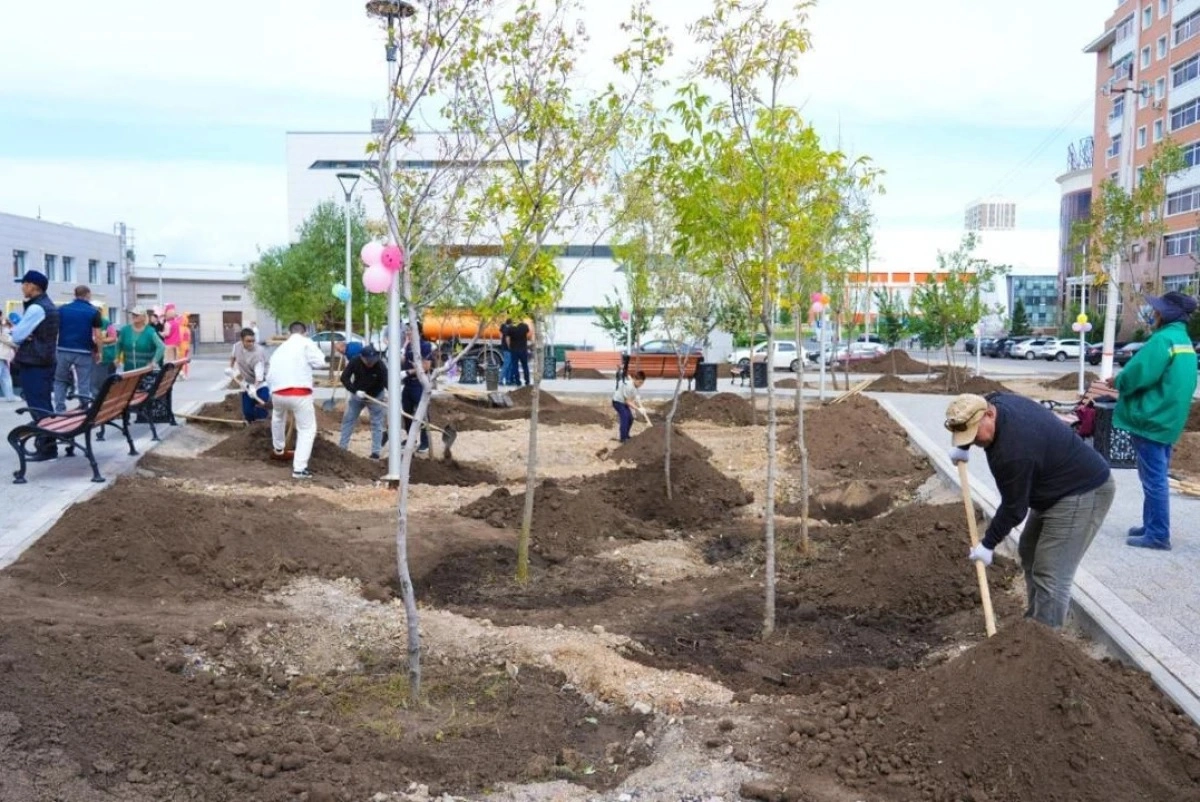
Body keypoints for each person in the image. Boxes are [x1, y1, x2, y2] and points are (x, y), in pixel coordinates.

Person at [946, 392, 1115, 629]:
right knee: (1029, 550)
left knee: (1051, 571)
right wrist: (963, 446)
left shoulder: (1012, 452)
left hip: (1082, 492)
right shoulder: (995, 401)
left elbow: (1015, 508)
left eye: (974, 435)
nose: (973, 440)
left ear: (989, 414)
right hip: (1054, 487)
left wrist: (987, 544)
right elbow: (971, 411)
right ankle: (1033, 627)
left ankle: (1046, 639)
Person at [1105, 291, 1198, 550]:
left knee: (1153, 478)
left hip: (1150, 419)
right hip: (1168, 420)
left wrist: (1118, 381)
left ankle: (1157, 533)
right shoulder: (1183, 341)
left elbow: (1137, 374)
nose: (1154, 313)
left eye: (1157, 310)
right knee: (1154, 476)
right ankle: (1151, 524)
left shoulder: (1163, 340)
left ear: (1167, 314)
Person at [7, 270, 60, 461]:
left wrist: (21, 334)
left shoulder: (37, 308)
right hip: (44, 361)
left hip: (34, 363)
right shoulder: (48, 306)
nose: (22, 287)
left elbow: (18, 335)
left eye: (24, 284)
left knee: (38, 407)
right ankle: (49, 445)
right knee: (44, 404)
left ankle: (46, 448)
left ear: (33, 286)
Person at [266, 321, 326, 479]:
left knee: (278, 417)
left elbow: (269, 375)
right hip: (299, 392)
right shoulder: (306, 343)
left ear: (289, 333)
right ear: (304, 332)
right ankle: (299, 469)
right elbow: (320, 362)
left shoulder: (279, 349)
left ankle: (278, 448)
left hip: (277, 392)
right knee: (307, 429)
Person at [53, 285, 103, 412]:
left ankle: (59, 408)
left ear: (75, 295)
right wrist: (99, 352)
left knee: (60, 380)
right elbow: (98, 335)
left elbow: (54, 329)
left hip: (63, 349)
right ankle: (84, 407)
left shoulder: (62, 309)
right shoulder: (94, 311)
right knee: (83, 382)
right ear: (87, 295)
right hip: (84, 351)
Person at [338, 344, 388, 459]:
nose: (371, 363)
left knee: (377, 423)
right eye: (368, 361)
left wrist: (393, 396)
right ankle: (342, 448)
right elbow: (344, 378)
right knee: (348, 420)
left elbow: (387, 382)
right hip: (358, 396)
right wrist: (355, 391)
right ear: (362, 357)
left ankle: (376, 452)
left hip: (375, 397)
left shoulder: (380, 365)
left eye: (373, 360)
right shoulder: (355, 361)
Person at [401, 323, 434, 454]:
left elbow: (426, 366)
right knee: (407, 412)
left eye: (410, 330)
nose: (407, 332)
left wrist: (409, 372)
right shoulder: (408, 345)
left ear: (418, 332)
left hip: (419, 384)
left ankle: (425, 442)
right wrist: (403, 347)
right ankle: (410, 438)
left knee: (422, 413)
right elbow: (403, 361)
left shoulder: (425, 346)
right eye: (407, 330)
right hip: (408, 385)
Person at [227, 327, 271, 423]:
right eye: (248, 341)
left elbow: (259, 376)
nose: (251, 343)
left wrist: (254, 388)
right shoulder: (236, 347)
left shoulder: (258, 354)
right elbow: (233, 357)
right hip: (247, 383)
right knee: (247, 412)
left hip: (261, 384)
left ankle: (262, 428)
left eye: (253, 341)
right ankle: (250, 428)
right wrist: (230, 368)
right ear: (241, 340)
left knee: (261, 411)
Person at [115, 307, 165, 371]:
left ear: (144, 317)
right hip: (128, 369)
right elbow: (118, 344)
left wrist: (154, 361)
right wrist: (117, 357)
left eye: (137, 314)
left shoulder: (150, 331)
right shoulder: (125, 330)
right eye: (133, 314)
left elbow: (161, 347)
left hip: (145, 370)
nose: (134, 316)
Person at [612, 370, 647, 442]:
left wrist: (636, 399)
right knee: (625, 417)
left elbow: (631, 399)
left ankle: (626, 435)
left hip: (624, 403)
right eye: (639, 382)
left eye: (642, 383)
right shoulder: (628, 386)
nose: (641, 384)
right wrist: (638, 409)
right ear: (635, 379)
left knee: (630, 418)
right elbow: (628, 401)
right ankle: (623, 438)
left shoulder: (635, 385)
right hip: (617, 402)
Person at [91, 316, 118, 401]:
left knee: (100, 384)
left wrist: (99, 340)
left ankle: (101, 404)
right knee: (100, 383)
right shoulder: (87, 322)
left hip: (105, 357)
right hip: (94, 357)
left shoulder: (106, 323)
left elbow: (113, 337)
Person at [507, 319, 531, 386]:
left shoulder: (511, 328)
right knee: (525, 365)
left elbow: (507, 338)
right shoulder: (524, 326)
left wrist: (509, 347)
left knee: (515, 366)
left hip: (514, 349)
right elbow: (528, 334)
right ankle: (527, 381)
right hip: (523, 349)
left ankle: (518, 381)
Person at [0, 317, 17, 402]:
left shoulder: (4, 328)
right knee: (5, 376)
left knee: (6, 377)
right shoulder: (3, 330)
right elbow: (5, 338)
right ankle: (10, 397)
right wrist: (16, 343)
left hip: (4, 356)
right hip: (1, 355)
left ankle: (10, 397)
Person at [499, 318, 514, 386]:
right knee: (507, 364)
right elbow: (507, 339)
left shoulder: (503, 328)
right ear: (510, 323)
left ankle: (507, 380)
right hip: (508, 349)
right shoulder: (508, 329)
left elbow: (501, 336)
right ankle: (501, 380)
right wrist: (510, 347)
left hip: (504, 348)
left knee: (508, 365)